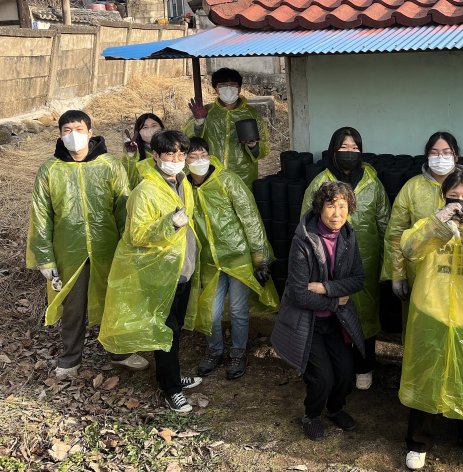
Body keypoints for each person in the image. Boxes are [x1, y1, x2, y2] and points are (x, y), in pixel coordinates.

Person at [26, 110, 148, 380]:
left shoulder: (109, 165)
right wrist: (44, 258)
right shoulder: (50, 170)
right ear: (59, 134)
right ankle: (70, 359)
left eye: (78, 129)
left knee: (114, 300)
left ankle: (120, 351)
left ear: (90, 132)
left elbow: (123, 209)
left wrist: (130, 246)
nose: (73, 135)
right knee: (73, 306)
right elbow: (41, 216)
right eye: (66, 130)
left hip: (108, 247)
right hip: (70, 251)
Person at [399, 168, 463, 470]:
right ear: (444, 199)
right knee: (426, 376)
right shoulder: (429, 224)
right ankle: (418, 442)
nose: (460, 203)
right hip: (432, 312)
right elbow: (409, 248)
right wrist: (438, 223)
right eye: (453, 197)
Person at [99, 130, 208, 413]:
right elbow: (135, 234)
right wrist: (169, 224)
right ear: (156, 156)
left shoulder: (183, 182)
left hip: (181, 267)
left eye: (181, 154)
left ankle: (170, 376)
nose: (176, 159)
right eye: (169, 154)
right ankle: (171, 389)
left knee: (174, 329)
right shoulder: (145, 191)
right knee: (166, 329)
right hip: (159, 272)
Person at [271, 182, 365, 440]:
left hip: (336, 321)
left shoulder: (348, 236)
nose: (337, 213)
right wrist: (336, 301)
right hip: (308, 321)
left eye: (343, 206)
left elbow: (358, 279)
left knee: (346, 374)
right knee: (322, 377)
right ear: (320, 207)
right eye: (331, 205)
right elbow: (299, 293)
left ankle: (335, 410)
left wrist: (325, 287)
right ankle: (311, 415)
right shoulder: (303, 240)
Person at [301, 127, 390, 390]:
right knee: (335, 312)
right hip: (329, 262)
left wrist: (388, 261)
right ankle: (341, 368)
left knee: (365, 314)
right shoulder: (320, 183)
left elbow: (385, 221)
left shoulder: (373, 183)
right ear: (332, 150)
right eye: (344, 148)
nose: (350, 153)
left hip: (367, 259)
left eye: (354, 148)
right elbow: (306, 224)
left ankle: (364, 365)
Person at [186, 137, 279, 380]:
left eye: (203, 154)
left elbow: (250, 219)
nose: (199, 161)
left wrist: (259, 257)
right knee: (211, 311)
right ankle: (214, 351)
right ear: (184, 160)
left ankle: (237, 353)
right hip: (208, 261)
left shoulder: (227, 180)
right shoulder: (184, 187)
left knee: (238, 310)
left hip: (238, 256)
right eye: (192, 157)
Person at [382, 131, 463, 315]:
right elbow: (396, 233)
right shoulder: (412, 188)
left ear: (456, 155)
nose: (441, 157)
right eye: (434, 152)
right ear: (427, 156)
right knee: (422, 328)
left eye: (447, 152)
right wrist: (398, 273)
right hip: (420, 275)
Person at [185, 68, 269, 187]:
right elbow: (189, 143)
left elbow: (264, 149)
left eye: (232, 85)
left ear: (239, 88)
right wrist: (199, 123)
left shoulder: (251, 114)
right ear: (216, 89)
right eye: (223, 85)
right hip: (210, 173)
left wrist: (253, 146)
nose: (228, 88)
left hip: (243, 175)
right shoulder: (205, 111)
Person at [120, 113, 164, 188]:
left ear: (161, 127)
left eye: (154, 126)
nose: (150, 130)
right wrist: (131, 156)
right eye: (145, 127)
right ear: (138, 132)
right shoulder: (136, 154)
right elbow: (128, 180)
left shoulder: (173, 148)